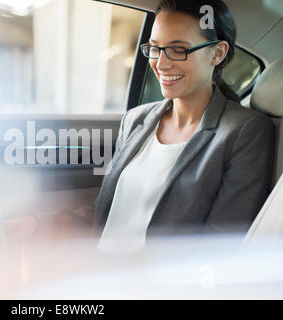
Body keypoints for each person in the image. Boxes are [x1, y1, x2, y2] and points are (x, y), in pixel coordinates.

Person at [92, 0, 275, 255]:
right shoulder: (135, 120)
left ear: (218, 53)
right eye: (155, 49)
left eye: (178, 50)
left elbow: (221, 244)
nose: (161, 63)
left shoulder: (244, 131)